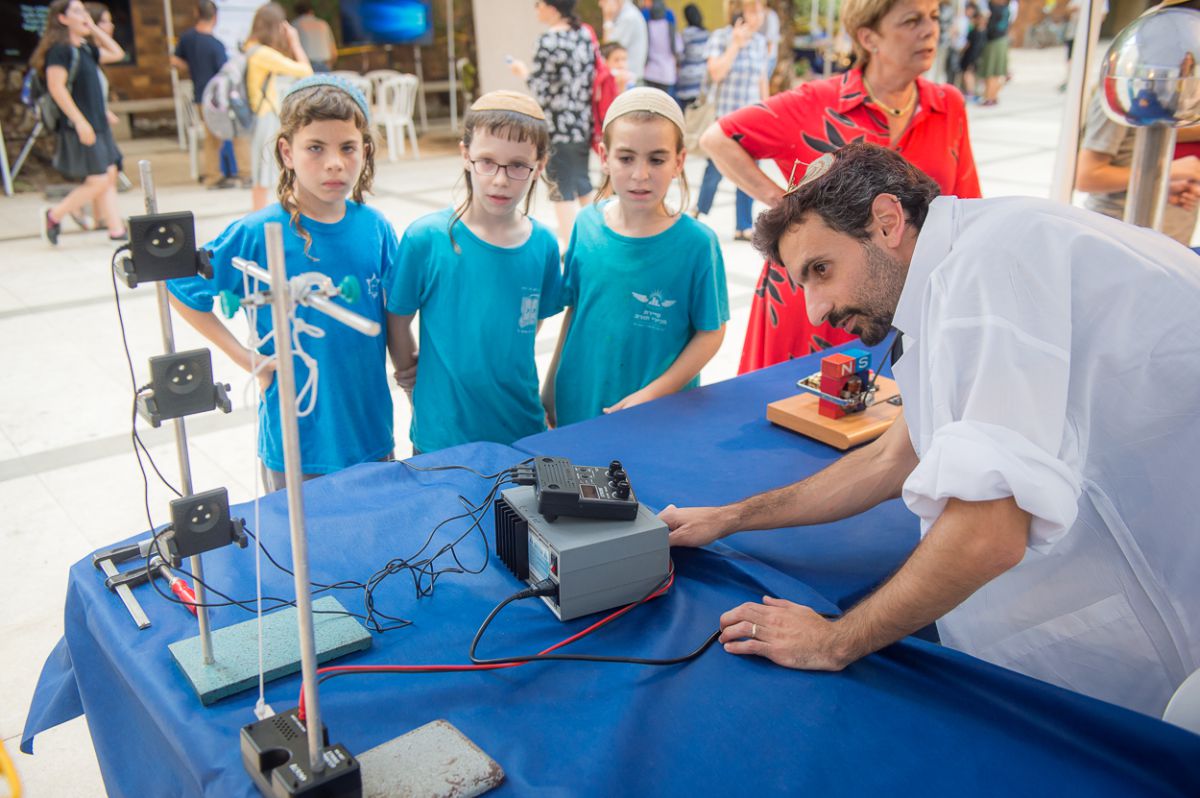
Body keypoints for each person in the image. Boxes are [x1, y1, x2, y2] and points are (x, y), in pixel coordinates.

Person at [662, 140, 1200, 718]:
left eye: (821, 270)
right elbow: (892, 458)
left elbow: (988, 533)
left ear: (888, 222)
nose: (816, 312)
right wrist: (728, 518)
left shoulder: (983, 271)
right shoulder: (960, 265)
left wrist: (832, 641)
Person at [699, 0, 981, 372]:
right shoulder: (816, 102)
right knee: (793, 412)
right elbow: (717, 138)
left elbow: (966, 208)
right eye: (911, 20)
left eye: (932, 17)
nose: (929, 30)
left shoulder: (948, 105)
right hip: (812, 296)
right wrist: (788, 208)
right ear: (868, 37)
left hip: (897, 299)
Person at [168, 76, 399, 491]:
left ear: (364, 152)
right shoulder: (257, 232)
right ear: (286, 151)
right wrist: (246, 358)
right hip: (298, 444)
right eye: (316, 148)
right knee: (299, 550)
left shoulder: (376, 228)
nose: (334, 163)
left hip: (370, 433)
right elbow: (183, 291)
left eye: (347, 148)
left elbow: (398, 313)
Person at [386, 92, 563, 454]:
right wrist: (409, 377)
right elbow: (397, 319)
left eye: (517, 165)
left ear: (540, 165)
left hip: (521, 427)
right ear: (465, 154)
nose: (500, 180)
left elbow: (527, 326)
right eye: (487, 161)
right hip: (443, 432)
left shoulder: (543, 244)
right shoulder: (427, 239)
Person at [543, 88, 728, 427]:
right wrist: (552, 386)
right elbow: (575, 311)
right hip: (580, 399)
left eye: (656, 159)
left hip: (656, 414)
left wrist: (656, 393)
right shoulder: (586, 225)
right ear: (604, 157)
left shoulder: (697, 244)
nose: (640, 175)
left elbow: (711, 332)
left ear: (679, 161)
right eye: (626, 158)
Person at [32, 0, 126, 245]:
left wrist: (93, 29)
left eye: (85, 10)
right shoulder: (60, 51)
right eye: (77, 11)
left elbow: (117, 53)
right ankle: (55, 214)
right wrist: (79, 121)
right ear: (62, 19)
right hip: (81, 125)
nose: (83, 15)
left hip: (98, 123)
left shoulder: (85, 48)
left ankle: (115, 228)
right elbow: (56, 87)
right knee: (98, 179)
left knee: (109, 174)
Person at [510, 0, 595, 245]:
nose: (536, 9)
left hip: (558, 126)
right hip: (582, 122)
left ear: (552, 7)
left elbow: (541, 89)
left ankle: (571, 247)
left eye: (538, 4)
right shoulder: (583, 36)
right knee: (582, 180)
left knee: (560, 186)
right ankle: (596, 235)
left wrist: (522, 71)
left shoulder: (548, 41)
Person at [1076, 92, 1200, 246]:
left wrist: (1166, 185)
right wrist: (1169, 171)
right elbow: (1087, 177)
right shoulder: (1124, 96)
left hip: (1167, 236)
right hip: (1122, 232)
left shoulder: (1177, 94)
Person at [693, 0, 769, 242]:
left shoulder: (760, 43)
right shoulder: (720, 37)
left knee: (749, 171)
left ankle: (743, 225)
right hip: (726, 119)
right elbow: (716, 73)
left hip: (752, 120)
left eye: (761, 10)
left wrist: (767, 110)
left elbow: (761, 79)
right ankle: (698, 210)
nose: (759, 16)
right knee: (715, 170)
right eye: (753, 10)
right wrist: (735, 44)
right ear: (740, 12)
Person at [172, 0, 248, 189]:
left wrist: (192, 67)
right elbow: (225, 74)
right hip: (218, 98)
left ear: (196, 13)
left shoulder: (187, 38)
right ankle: (246, 174)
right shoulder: (216, 45)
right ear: (215, 17)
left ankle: (213, 176)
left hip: (200, 96)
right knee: (238, 132)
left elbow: (174, 61)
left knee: (211, 138)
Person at [245, 2, 313, 211]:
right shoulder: (262, 54)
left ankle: (264, 218)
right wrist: (295, 42)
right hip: (266, 117)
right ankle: (262, 219)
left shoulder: (249, 48)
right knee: (265, 173)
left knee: (264, 171)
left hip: (257, 116)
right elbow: (305, 71)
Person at [601, 0, 649, 84]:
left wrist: (607, 19)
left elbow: (608, 50)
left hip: (629, 83)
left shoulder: (628, 18)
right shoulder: (624, 15)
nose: (600, 4)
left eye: (603, 0)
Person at [675, 4, 710, 110]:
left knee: (685, 112)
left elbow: (679, 56)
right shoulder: (707, 34)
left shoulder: (686, 34)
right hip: (701, 79)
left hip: (687, 80)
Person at [641, 0, 680, 94]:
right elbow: (677, 46)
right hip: (667, 72)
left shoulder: (645, 15)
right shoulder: (670, 16)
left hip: (649, 71)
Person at [977, 0, 1009, 106]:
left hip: (994, 42)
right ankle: (992, 97)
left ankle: (989, 97)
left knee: (991, 72)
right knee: (996, 72)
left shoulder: (996, 9)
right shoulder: (1006, 8)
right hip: (1001, 40)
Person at [293, 0, 337, 72]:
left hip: (305, 66)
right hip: (324, 65)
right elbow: (334, 51)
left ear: (296, 13)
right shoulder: (323, 24)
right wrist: (329, 65)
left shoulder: (295, 24)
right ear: (311, 11)